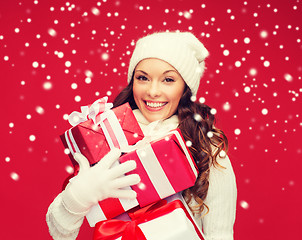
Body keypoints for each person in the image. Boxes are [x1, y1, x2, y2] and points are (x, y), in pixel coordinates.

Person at [46, 31, 237, 240]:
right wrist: (76, 199)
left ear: (185, 87)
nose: (153, 91)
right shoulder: (107, 137)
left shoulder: (206, 149)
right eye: (143, 78)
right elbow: (60, 233)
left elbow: (220, 235)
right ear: (132, 82)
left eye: (168, 79)